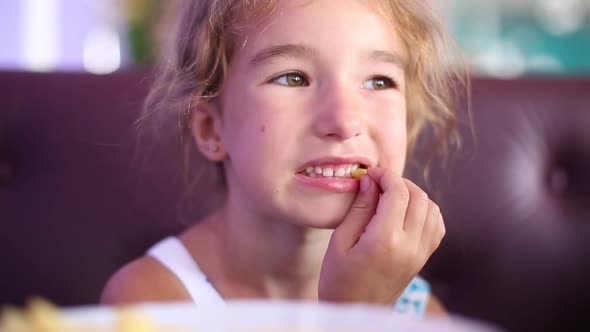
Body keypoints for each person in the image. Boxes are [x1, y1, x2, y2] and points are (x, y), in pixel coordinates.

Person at [101, 0, 465, 319]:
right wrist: (353, 317)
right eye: (293, 78)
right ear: (212, 129)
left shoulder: (414, 311)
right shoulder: (150, 303)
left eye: (378, 82)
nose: (344, 122)